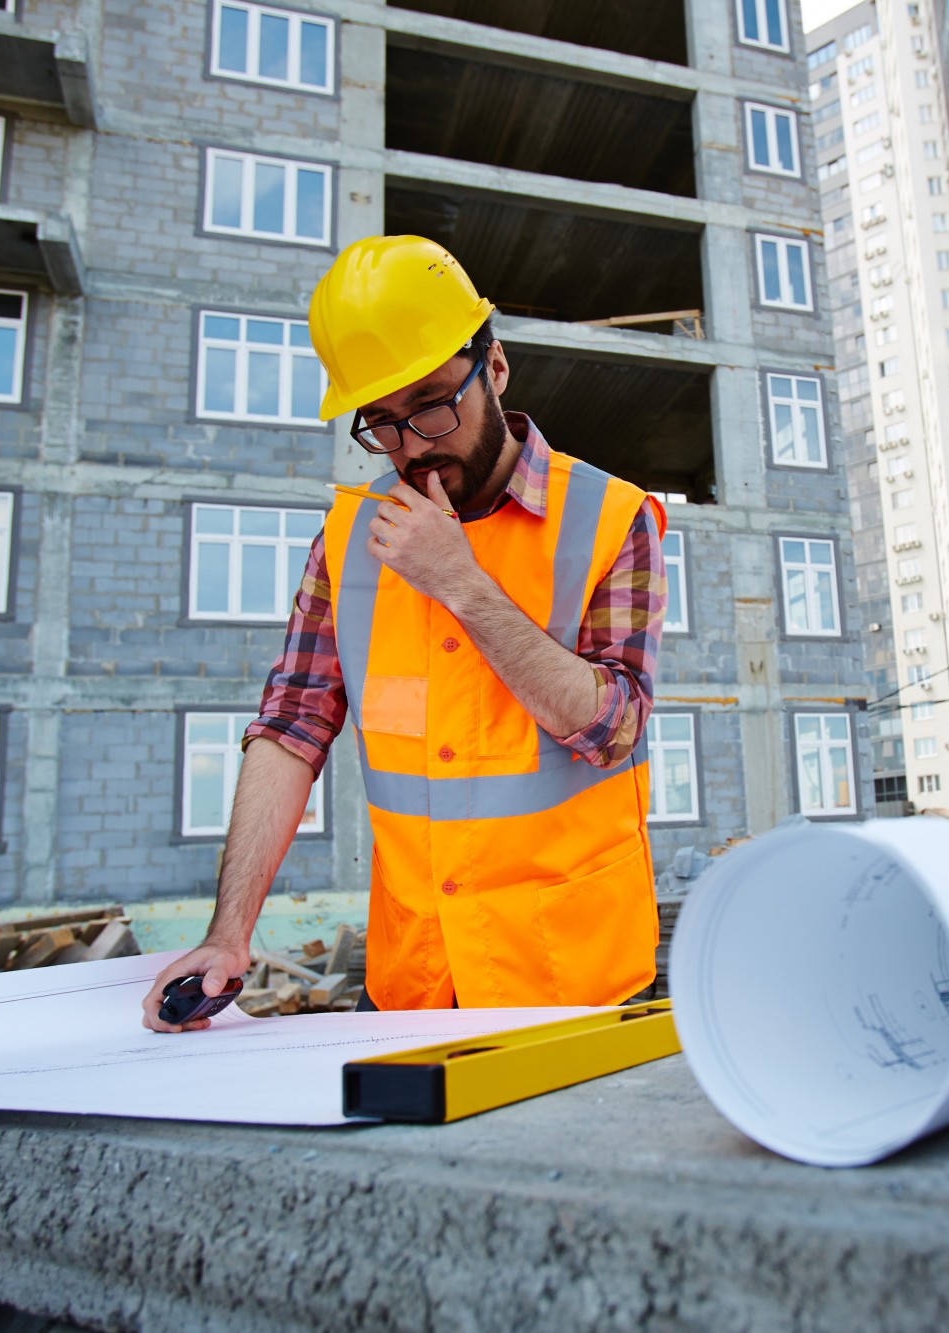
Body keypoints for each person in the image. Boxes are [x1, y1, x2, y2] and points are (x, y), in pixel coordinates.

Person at [142, 235, 667, 1030]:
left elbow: (612, 727)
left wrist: (460, 583)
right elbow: (290, 728)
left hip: (571, 983)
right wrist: (229, 934)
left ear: (493, 367)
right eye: (382, 423)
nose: (412, 445)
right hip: (412, 982)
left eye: (431, 404)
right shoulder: (350, 535)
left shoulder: (608, 516)